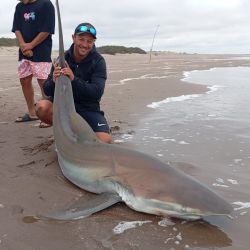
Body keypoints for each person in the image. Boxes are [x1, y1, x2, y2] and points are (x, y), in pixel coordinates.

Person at [35, 23, 112, 144]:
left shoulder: (98, 61)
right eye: (81, 39)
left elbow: (97, 92)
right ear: (73, 38)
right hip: (64, 108)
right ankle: (65, 131)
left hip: (88, 109)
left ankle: (82, 131)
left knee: (105, 141)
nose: (85, 45)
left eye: (89, 41)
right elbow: (47, 90)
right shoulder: (62, 58)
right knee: (41, 107)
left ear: (94, 42)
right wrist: (54, 81)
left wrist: (74, 80)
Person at [12, 0, 55, 122]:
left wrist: (31, 45)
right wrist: (23, 46)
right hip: (24, 50)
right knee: (24, 80)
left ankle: (48, 116)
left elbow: (47, 29)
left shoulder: (46, 4)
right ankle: (32, 113)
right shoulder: (19, 7)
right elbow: (17, 28)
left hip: (41, 50)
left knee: (44, 83)